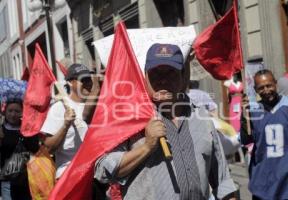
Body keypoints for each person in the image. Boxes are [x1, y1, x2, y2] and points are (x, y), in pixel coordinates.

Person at [94, 43, 237, 200]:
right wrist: (146, 147)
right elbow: (102, 170)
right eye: (156, 73)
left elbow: (222, 181)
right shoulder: (129, 117)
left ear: (183, 77)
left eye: (170, 73)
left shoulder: (202, 117)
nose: (163, 80)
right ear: (145, 76)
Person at [240, 69, 288, 199]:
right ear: (255, 90)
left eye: (269, 85)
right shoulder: (252, 111)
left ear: (275, 83)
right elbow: (246, 140)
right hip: (265, 179)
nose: (266, 90)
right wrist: (244, 118)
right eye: (261, 88)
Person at [40, 63, 93, 179]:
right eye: (83, 80)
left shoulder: (96, 107)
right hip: (68, 176)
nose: (88, 83)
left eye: (89, 79)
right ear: (70, 82)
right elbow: (48, 148)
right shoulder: (59, 108)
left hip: (94, 176)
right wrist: (65, 125)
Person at [0, 98, 39, 200]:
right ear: (5, 111)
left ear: (22, 112)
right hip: (7, 179)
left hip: (27, 179)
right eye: (10, 111)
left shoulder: (27, 129)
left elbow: (34, 149)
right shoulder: (1, 129)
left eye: (17, 111)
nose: (13, 114)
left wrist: (28, 132)